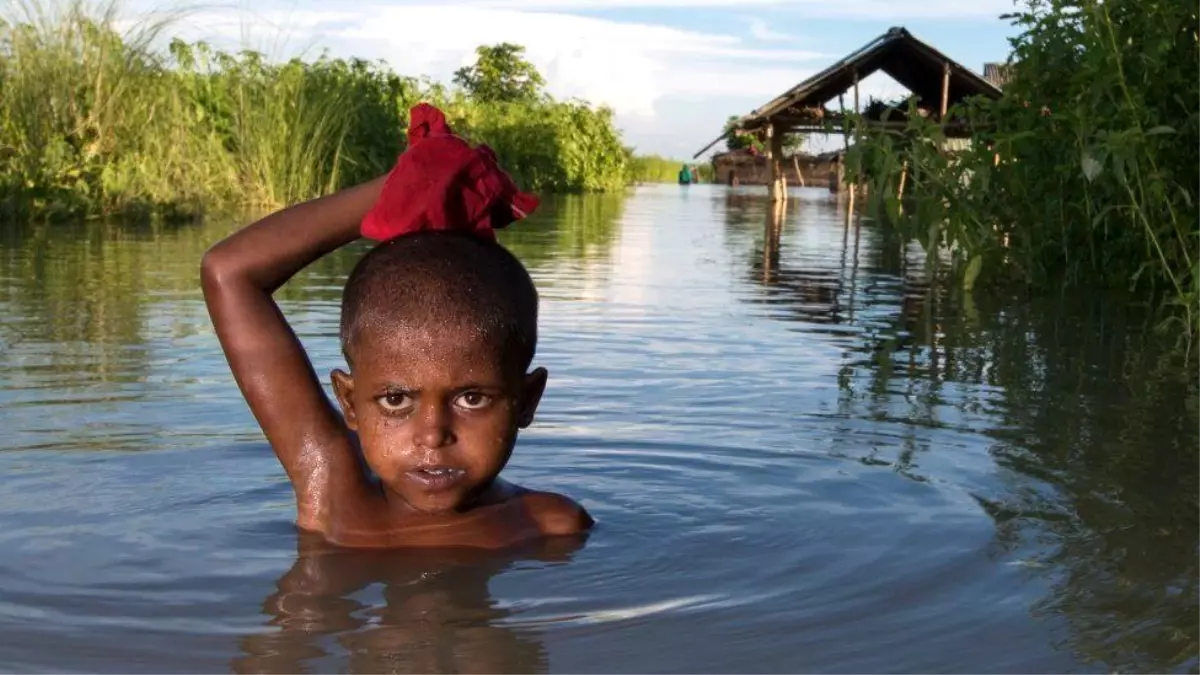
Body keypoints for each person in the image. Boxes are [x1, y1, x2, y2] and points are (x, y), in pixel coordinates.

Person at [201, 104, 594, 549]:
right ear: (349, 402)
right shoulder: (335, 495)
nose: (432, 434)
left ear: (526, 401)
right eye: (395, 399)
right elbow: (228, 272)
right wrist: (414, 181)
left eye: (471, 397)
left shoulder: (547, 525)